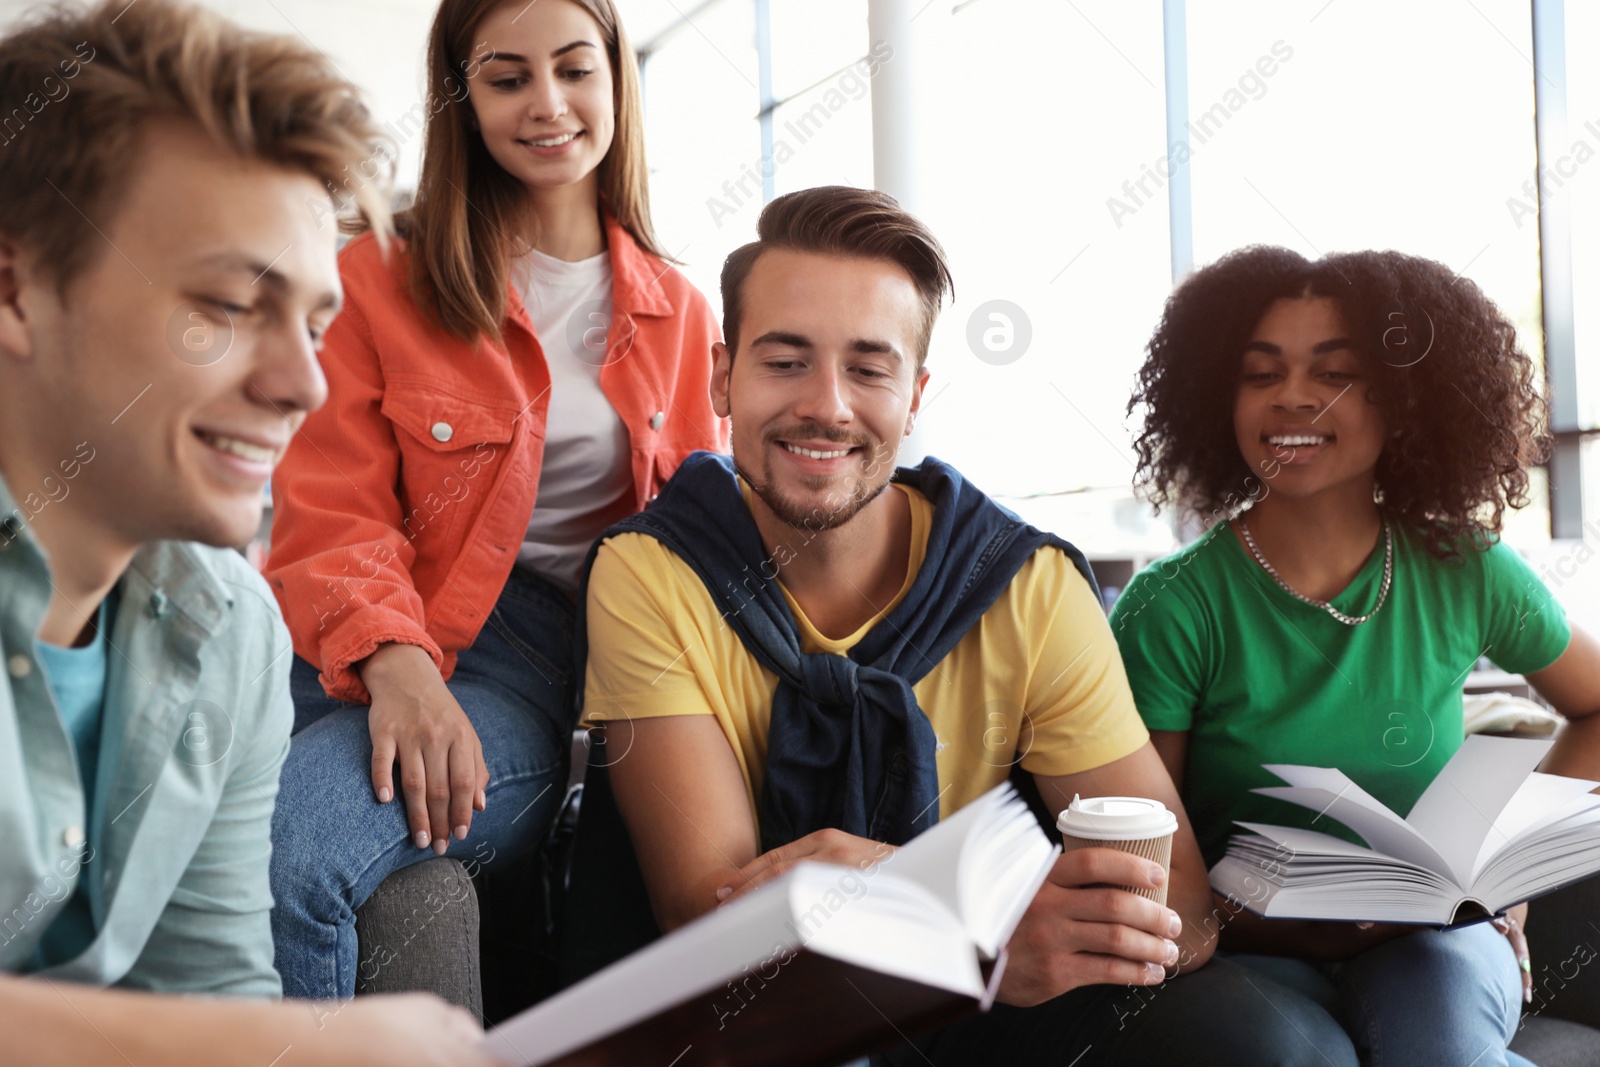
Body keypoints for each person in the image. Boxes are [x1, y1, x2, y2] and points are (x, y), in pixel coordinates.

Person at [571, 186, 1366, 1065]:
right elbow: (712, 923)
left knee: (1277, 1046)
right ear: (722, 377)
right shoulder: (652, 570)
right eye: (785, 360)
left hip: (993, 1004)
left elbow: (1179, 902)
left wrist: (954, 919)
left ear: (913, 395)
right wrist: (956, 928)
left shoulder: (1023, 583)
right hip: (761, 1018)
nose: (826, 405)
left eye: (868, 369)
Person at [0, 0, 496, 1063]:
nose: (304, 384)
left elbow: (210, 995)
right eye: (227, 306)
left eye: (315, 325)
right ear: (14, 288)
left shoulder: (231, 635)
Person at [262, 0, 725, 999]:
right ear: (463, 101)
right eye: (507, 78)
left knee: (331, 854)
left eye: (573, 69)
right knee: (341, 863)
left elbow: (701, 540)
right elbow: (330, 512)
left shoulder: (679, 313)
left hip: (579, 668)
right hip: (404, 651)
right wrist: (400, 665)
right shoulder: (376, 279)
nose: (547, 104)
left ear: (614, 79)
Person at [1113, 244, 1600, 1067]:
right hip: (1247, 950)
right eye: (1260, 374)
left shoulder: (1466, 565)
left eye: (1333, 372)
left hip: (1438, 936)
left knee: (1438, 1049)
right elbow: (1147, 844)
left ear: (1404, 399)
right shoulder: (1174, 606)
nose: (1292, 397)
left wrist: (1509, 863)